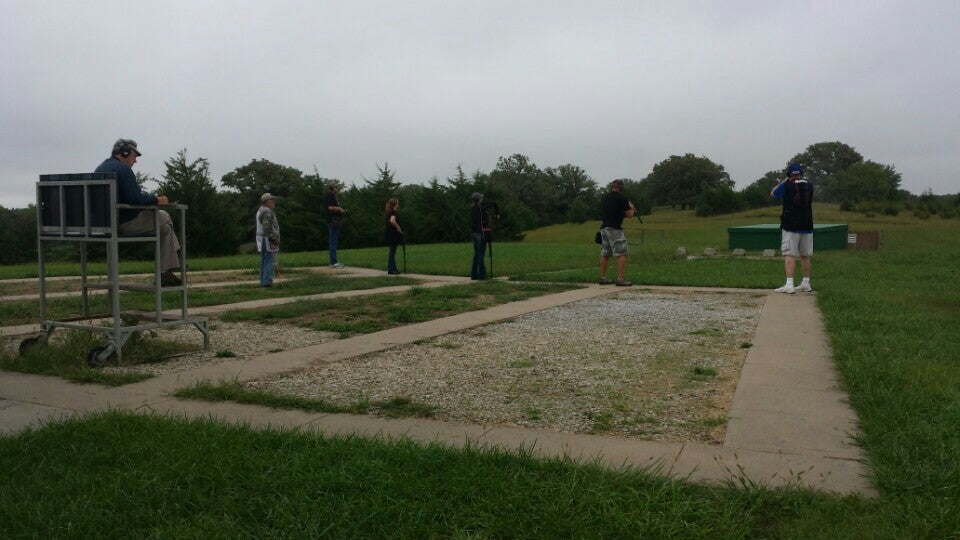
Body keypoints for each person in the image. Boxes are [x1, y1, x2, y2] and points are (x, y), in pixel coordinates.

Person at [94, 138, 182, 286]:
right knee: (164, 216)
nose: (135, 161)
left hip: (103, 223)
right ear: (125, 152)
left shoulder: (100, 168)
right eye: (134, 156)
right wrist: (157, 200)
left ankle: (167, 269)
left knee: (165, 229)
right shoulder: (123, 169)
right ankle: (174, 258)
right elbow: (136, 198)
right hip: (122, 223)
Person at [771, 163, 814, 293]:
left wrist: (785, 180)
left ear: (789, 174)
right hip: (807, 225)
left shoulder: (786, 185)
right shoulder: (809, 185)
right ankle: (806, 283)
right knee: (805, 255)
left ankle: (789, 284)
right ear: (801, 173)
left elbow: (773, 193)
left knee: (789, 254)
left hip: (790, 226)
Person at [599, 179, 636, 286]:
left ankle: (603, 277)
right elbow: (629, 215)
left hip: (604, 228)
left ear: (612, 186)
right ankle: (620, 279)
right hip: (614, 229)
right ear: (621, 187)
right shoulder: (622, 198)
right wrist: (632, 208)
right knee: (621, 253)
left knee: (605, 253)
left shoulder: (606, 197)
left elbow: (613, 211)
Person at [256, 193, 281, 287]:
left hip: (261, 239)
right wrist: (274, 239)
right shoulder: (267, 212)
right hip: (267, 240)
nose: (274, 202)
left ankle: (263, 281)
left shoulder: (260, 210)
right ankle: (267, 282)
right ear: (266, 202)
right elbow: (267, 229)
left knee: (263, 260)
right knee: (269, 261)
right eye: (272, 200)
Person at [325, 181, 347, 268]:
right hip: (333, 221)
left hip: (333, 220)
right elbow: (330, 208)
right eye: (336, 187)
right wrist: (340, 209)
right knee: (333, 241)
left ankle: (333, 261)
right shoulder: (330, 195)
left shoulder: (330, 195)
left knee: (333, 241)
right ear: (332, 188)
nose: (338, 188)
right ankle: (333, 262)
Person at [469, 192, 487, 280]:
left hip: (474, 233)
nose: (482, 199)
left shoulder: (472, 208)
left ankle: (474, 275)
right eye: (481, 198)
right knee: (481, 254)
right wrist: (483, 233)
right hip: (480, 233)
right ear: (478, 199)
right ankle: (482, 275)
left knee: (476, 254)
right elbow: (480, 223)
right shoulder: (479, 209)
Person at [384, 198, 403, 274]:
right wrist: (398, 227)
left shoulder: (389, 212)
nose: (398, 205)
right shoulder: (393, 213)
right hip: (393, 234)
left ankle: (393, 268)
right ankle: (391, 269)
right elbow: (392, 221)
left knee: (392, 252)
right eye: (397, 203)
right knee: (392, 252)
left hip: (389, 234)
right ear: (395, 205)